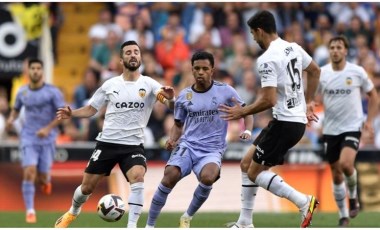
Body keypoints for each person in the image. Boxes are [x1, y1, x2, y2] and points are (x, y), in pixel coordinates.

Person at [54, 40, 175, 228]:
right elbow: (91, 109)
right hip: (107, 143)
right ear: (121, 60)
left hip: (133, 145)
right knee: (86, 188)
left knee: (138, 176)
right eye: (128, 52)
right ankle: (73, 212)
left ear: (141, 57)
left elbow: (168, 103)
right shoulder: (110, 84)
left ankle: (132, 226)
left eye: (136, 52)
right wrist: (73, 113)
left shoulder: (150, 84)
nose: (133, 55)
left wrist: (171, 98)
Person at [218, 10, 321, 228]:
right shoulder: (294, 48)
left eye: (253, 34)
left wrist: (241, 112)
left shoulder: (267, 58)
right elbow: (315, 70)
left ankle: (303, 202)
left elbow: (269, 100)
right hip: (291, 121)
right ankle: (245, 222)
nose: (253, 38)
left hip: (284, 123)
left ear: (260, 31)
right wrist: (309, 101)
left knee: (255, 172)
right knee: (246, 163)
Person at [145, 51, 254, 228]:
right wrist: (172, 139)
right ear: (192, 70)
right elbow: (178, 125)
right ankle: (149, 226)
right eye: (197, 68)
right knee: (169, 176)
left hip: (212, 150)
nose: (200, 72)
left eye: (205, 68)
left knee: (208, 177)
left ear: (212, 70)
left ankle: (186, 217)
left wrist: (248, 130)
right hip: (188, 145)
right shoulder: (184, 96)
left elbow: (247, 112)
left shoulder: (225, 91)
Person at [318, 35, 378, 227]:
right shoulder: (322, 73)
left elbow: (373, 96)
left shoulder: (357, 71)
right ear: (329, 51)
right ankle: (343, 215)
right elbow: (310, 93)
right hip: (330, 129)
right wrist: (310, 102)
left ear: (345, 51)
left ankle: (353, 198)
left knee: (345, 164)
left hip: (352, 127)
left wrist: (369, 121)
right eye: (332, 47)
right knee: (336, 174)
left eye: (339, 47)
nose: (335, 50)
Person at [5, 58, 65, 223]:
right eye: (33, 68)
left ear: (42, 71)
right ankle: (30, 211)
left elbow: (62, 114)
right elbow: (15, 110)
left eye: (39, 68)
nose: (36, 71)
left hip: (47, 139)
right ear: (28, 71)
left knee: (42, 177)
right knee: (29, 171)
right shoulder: (22, 92)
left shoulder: (52, 92)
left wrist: (47, 128)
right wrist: (11, 119)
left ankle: (46, 181)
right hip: (28, 137)